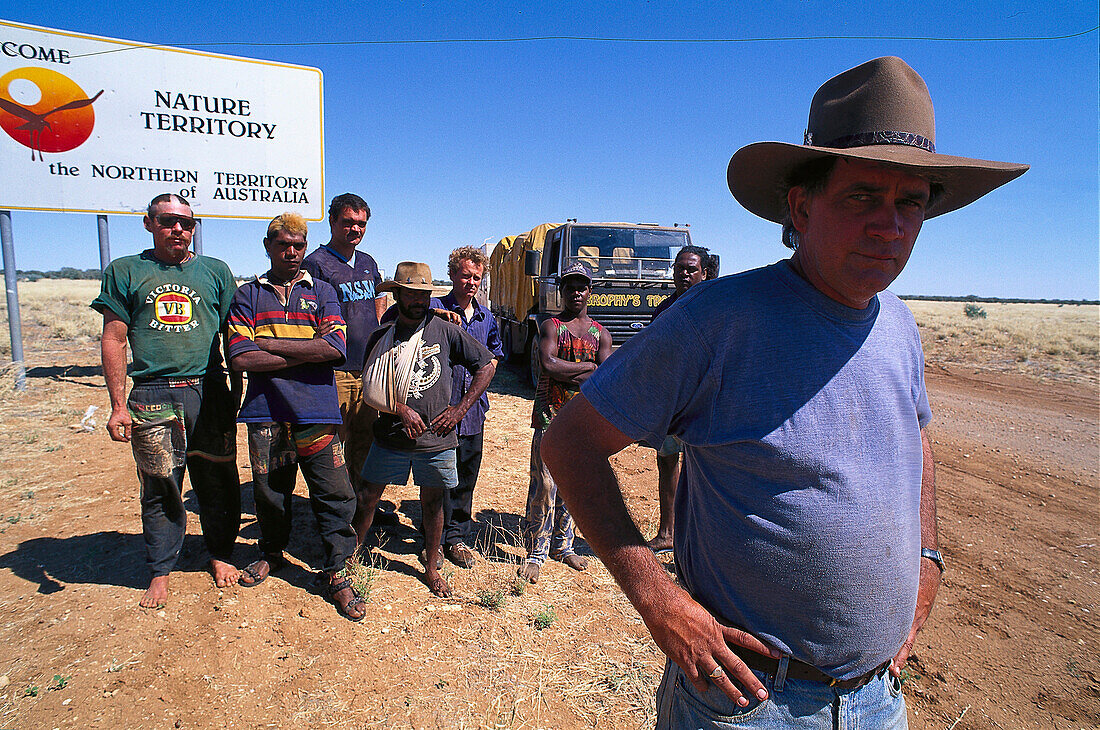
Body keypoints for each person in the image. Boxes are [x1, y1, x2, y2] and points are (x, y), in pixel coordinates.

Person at [540, 56, 1027, 727]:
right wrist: (657, 600)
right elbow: (569, 444)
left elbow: (914, 437)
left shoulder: (898, 322)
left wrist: (928, 557)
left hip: (878, 701)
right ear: (802, 205)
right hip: (750, 704)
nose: (890, 225)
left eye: (910, 202)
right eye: (863, 196)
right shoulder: (718, 321)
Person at [92, 193, 242, 608]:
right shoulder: (126, 270)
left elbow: (234, 335)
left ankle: (220, 554)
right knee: (161, 484)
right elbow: (114, 337)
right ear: (149, 223)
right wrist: (118, 404)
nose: (179, 229)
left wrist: (238, 391)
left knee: (218, 479)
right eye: (168, 221)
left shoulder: (215, 271)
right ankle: (161, 568)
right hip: (152, 394)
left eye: (187, 223)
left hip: (208, 390)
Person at [225, 213, 366, 622]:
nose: (291, 252)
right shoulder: (247, 295)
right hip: (266, 410)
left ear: (305, 247)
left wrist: (269, 343)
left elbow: (335, 349)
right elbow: (240, 356)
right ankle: (272, 553)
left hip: (316, 409)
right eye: (283, 245)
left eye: (298, 246)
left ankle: (338, 569)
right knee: (270, 491)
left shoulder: (321, 291)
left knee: (334, 491)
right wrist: (305, 346)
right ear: (268, 246)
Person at [355, 262, 496, 597]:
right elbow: (370, 385)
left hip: (436, 439)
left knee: (433, 503)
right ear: (398, 294)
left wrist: (460, 410)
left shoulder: (445, 329)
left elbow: (487, 365)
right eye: (411, 293)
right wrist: (399, 408)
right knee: (368, 496)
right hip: (390, 433)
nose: (418, 300)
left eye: (423, 294)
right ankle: (352, 555)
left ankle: (431, 568)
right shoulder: (382, 334)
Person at [518, 262, 613, 584]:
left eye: (581, 286)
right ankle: (536, 552)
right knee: (544, 486)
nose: (576, 292)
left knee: (575, 485)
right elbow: (548, 364)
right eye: (570, 286)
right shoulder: (551, 326)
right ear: (562, 291)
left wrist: (572, 367)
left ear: (590, 291)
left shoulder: (601, 333)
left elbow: (606, 375)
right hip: (550, 416)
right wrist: (587, 366)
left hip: (582, 422)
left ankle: (564, 546)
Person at [300, 194, 387, 518]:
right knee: (330, 444)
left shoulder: (367, 262)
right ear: (332, 220)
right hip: (333, 370)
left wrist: (377, 327)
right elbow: (308, 313)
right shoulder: (317, 263)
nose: (355, 229)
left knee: (365, 441)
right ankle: (333, 512)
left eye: (361, 223)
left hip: (367, 368)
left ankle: (361, 509)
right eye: (348, 221)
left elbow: (379, 296)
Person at [433, 246, 504, 568]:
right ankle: (432, 538)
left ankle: (456, 537)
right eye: (465, 275)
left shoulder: (486, 317)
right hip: (440, 409)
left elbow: (495, 355)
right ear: (452, 275)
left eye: (477, 277)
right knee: (436, 476)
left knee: (466, 476)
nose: (471, 282)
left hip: (472, 410)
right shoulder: (433, 308)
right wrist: (434, 316)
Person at [647, 245, 718, 555]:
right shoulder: (664, 311)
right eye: (679, 268)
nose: (684, 274)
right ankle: (667, 533)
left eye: (691, 269)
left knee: (704, 472)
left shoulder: (717, 309)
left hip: (706, 407)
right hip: (671, 404)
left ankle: (702, 541)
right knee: (667, 464)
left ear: (704, 273)